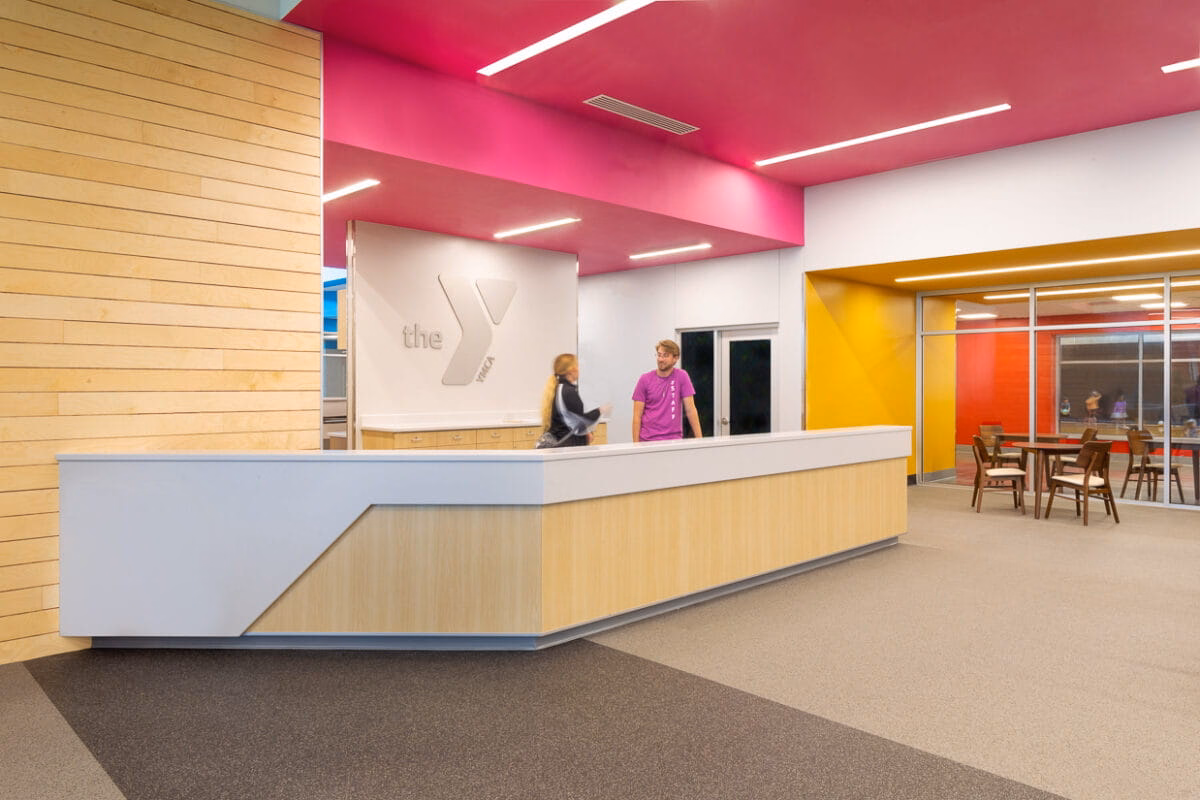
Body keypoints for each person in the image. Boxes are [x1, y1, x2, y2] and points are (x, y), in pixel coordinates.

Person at [631, 339, 703, 442]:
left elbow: (691, 410)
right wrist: (636, 445)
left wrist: (700, 440)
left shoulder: (682, 376)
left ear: (675, 358)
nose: (660, 359)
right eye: (659, 355)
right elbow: (637, 416)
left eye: (665, 356)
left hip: (673, 440)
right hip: (648, 441)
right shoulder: (644, 379)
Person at [540, 353, 609, 447]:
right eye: (578, 366)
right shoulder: (568, 391)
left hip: (563, 443)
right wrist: (600, 410)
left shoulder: (559, 388)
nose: (580, 369)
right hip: (567, 446)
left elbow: (572, 418)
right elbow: (587, 418)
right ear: (571, 370)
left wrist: (585, 432)